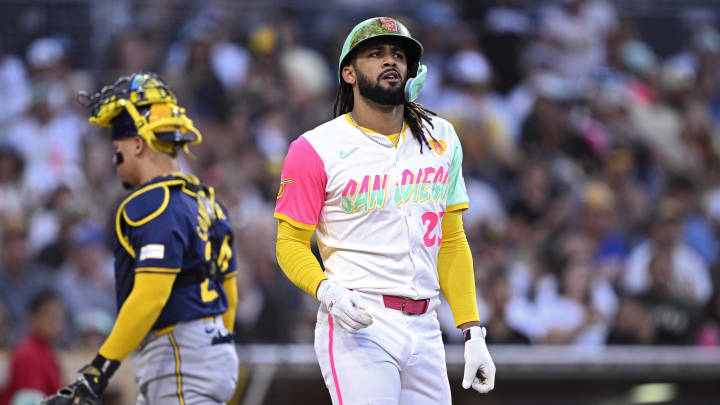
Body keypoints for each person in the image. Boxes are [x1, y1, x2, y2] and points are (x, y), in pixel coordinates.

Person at [274, 17, 495, 404]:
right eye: (375, 54)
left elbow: (452, 239)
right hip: (359, 320)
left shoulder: (441, 137)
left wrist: (472, 329)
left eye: (398, 55)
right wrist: (327, 291)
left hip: (427, 326)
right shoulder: (314, 148)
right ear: (349, 72)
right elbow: (289, 243)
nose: (390, 61)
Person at [42, 72, 239, 405]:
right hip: (208, 348)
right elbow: (230, 295)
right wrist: (214, 349)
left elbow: (151, 294)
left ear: (136, 144)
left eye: (116, 146)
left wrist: (98, 370)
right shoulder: (209, 203)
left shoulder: (152, 202)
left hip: (178, 354)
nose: (115, 158)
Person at [0, 290, 65, 405]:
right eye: (51, 315)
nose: (56, 321)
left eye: (59, 315)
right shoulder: (28, 355)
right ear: (33, 318)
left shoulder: (45, 349)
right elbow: (32, 401)